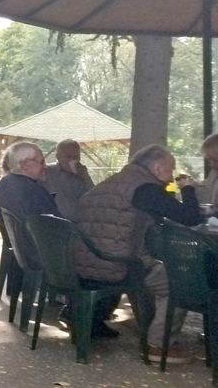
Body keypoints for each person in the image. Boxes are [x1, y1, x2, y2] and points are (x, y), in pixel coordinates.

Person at [73, 144, 201, 364]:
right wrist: (188, 188)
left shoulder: (112, 182)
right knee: (180, 281)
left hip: (84, 262)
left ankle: (152, 330)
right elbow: (190, 217)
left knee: (156, 269)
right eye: (170, 170)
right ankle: (158, 345)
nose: (171, 178)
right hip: (117, 265)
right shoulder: (144, 188)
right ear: (157, 167)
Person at [0, 141, 59, 270]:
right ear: (25, 164)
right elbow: (58, 229)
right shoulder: (33, 191)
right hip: (41, 255)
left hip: (22, 252)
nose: (45, 167)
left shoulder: (1, 185)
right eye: (41, 162)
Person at [42, 139, 94, 223]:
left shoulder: (81, 175)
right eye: (68, 157)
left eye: (76, 157)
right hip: (54, 222)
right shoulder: (48, 172)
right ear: (57, 157)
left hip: (79, 223)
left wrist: (86, 177)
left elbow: (93, 198)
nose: (72, 160)